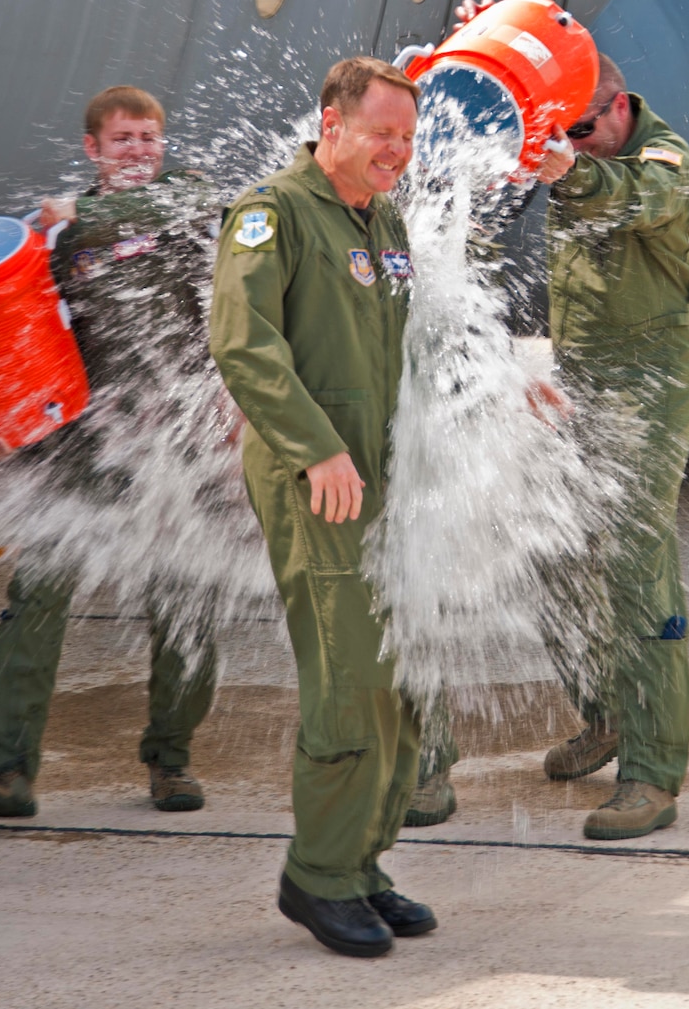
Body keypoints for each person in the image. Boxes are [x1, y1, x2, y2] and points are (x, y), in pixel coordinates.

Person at [406, 13, 689, 841]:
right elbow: (541, 52)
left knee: (636, 561)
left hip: (647, 386)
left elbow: (632, 199)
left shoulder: (662, 162)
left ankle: (652, 772)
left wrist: (570, 166)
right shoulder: (579, 126)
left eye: (574, 133)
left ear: (612, 114)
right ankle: (605, 710)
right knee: (555, 552)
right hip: (576, 378)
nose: (557, 149)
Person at [210, 57, 434, 958]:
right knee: (348, 671)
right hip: (321, 477)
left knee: (396, 669)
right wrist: (317, 449)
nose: (398, 152)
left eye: (410, 139)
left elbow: (412, 339)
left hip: (381, 471)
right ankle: (320, 875)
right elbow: (243, 343)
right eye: (384, 134)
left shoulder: (382, 216)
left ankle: (365, 859)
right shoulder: (274, 212)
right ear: (331, 123)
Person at [0, 86, 222, 820]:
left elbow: (182, 209)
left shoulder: (186, 199)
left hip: (179, 438)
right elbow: (10, 335)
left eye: (149, 138)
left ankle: (171, 759)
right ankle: (7, 770)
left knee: (186, 601)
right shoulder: (57, 237)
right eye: (125, 140)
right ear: (93, 150)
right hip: (84, 442)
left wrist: (85, 212)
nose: (140, 151)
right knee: (37, 590)